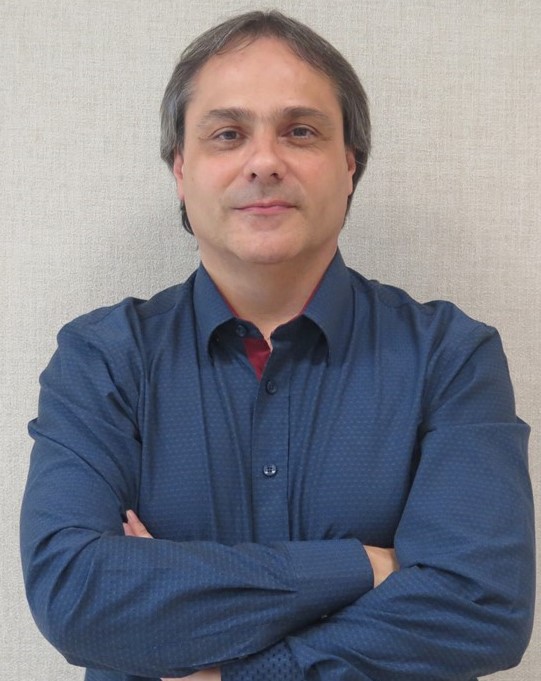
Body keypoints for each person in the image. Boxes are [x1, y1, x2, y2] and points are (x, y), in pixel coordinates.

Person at [20, 10, 534, 681]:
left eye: (300, 131)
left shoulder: (450, 357)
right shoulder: (103, 359)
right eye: (228, 134)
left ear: (348, 165)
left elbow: (481, 607)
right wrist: (362, 568)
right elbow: (77, 595)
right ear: (181, 169)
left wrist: (230, 662)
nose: (264, 161)